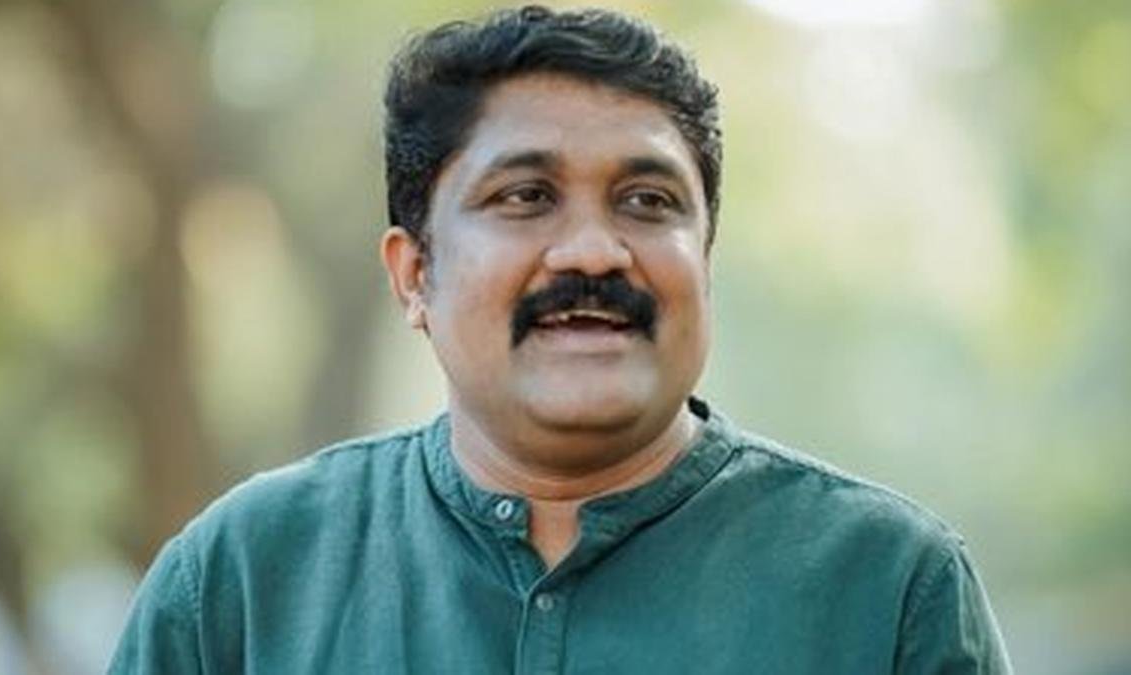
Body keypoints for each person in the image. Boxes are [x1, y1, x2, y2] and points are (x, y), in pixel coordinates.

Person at [108, 5, 1011, 673]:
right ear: (414, 274)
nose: (593, 250)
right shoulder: (243, 582)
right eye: (525, 197)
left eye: (648, 201)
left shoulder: (887, 587)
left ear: (704, 263)